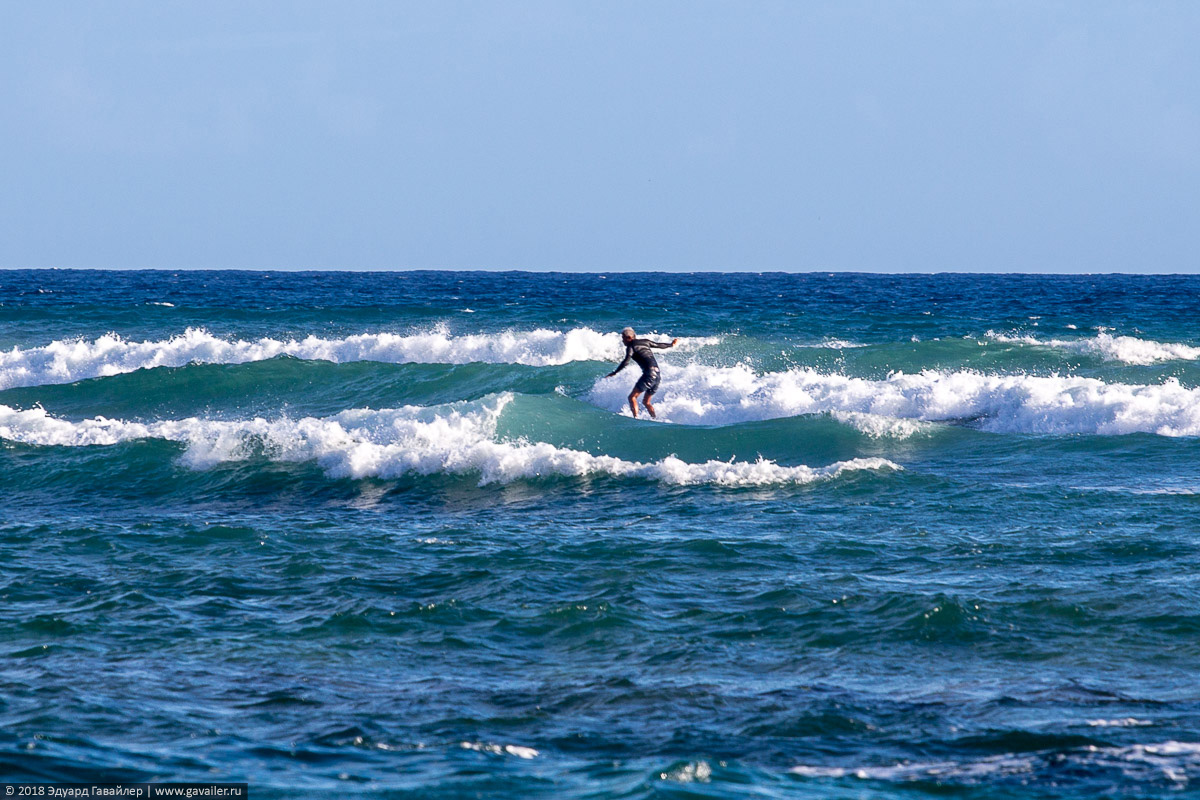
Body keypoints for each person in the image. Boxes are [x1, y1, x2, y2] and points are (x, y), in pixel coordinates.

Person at [604, 327, 679, 419]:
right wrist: (671, 345)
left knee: (632, 397)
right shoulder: (645, 341)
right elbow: (659, 345)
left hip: (649, 374)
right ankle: (654, 419)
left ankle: (636, 418)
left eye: (623, 338)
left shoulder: (631, 346)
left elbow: (626, 361)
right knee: (646, 402)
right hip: (658, 375)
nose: (622, 341)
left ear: (629, 338)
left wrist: (615, 372)